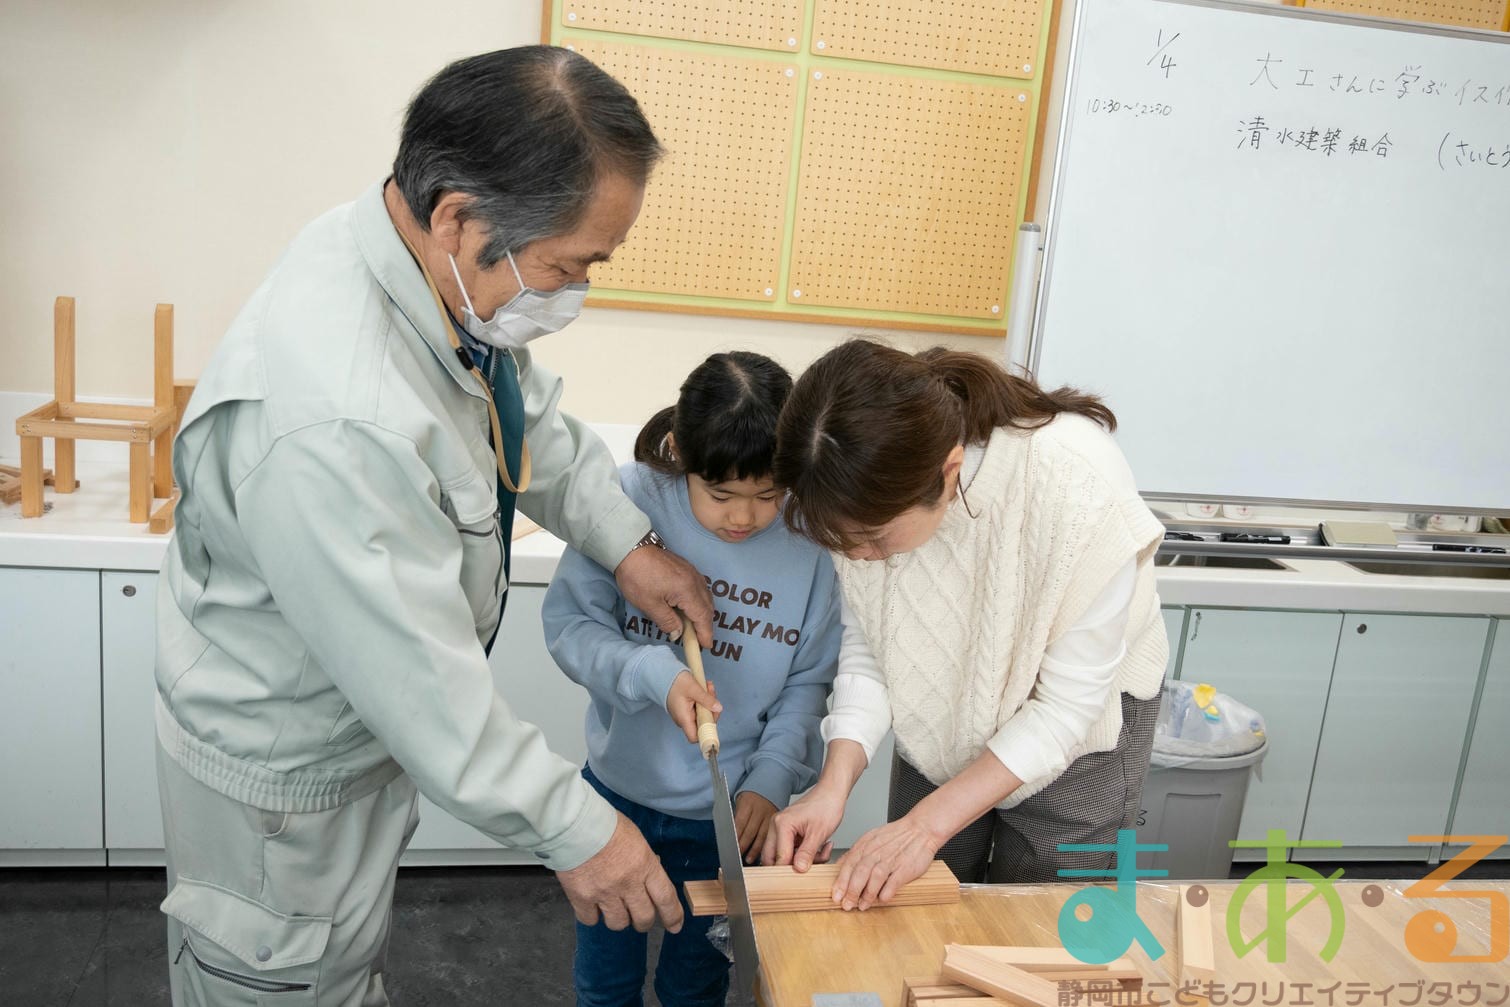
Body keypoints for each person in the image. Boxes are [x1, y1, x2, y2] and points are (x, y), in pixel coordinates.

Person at [154, 47, 716, 1005]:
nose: (573, 292)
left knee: (342, 964)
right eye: (566, 266)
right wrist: (583, 831)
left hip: (354, 738)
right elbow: (423, 687)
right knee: (288, 981)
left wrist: (626, 541)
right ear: (457, 217)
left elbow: (515, 413)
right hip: (283, 792)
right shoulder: (338, 419)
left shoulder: (422, 276)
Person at [761, 340, 1169, 909]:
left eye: (875, 539)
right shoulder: (851, 485)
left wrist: (924, 826)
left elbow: (1066, 707)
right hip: (939, 713)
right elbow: (872, 647)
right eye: (841, 542)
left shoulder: (1077, 482)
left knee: (1040, 913)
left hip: (1079, 734)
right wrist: (833, 786)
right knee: (914, 904)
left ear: (949, 472)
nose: (858, 557)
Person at [542, 352, 841, 1007]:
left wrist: (770, 779)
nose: (745, 517)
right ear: (681, 452)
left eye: (768, 494)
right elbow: (570, 629)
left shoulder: (812, 538)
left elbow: (808, 684)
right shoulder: (626, 500)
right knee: (605, 983)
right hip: (615, 801)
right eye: (721, 495)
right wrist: (653, 672)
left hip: (726, 818)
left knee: (695, 987)